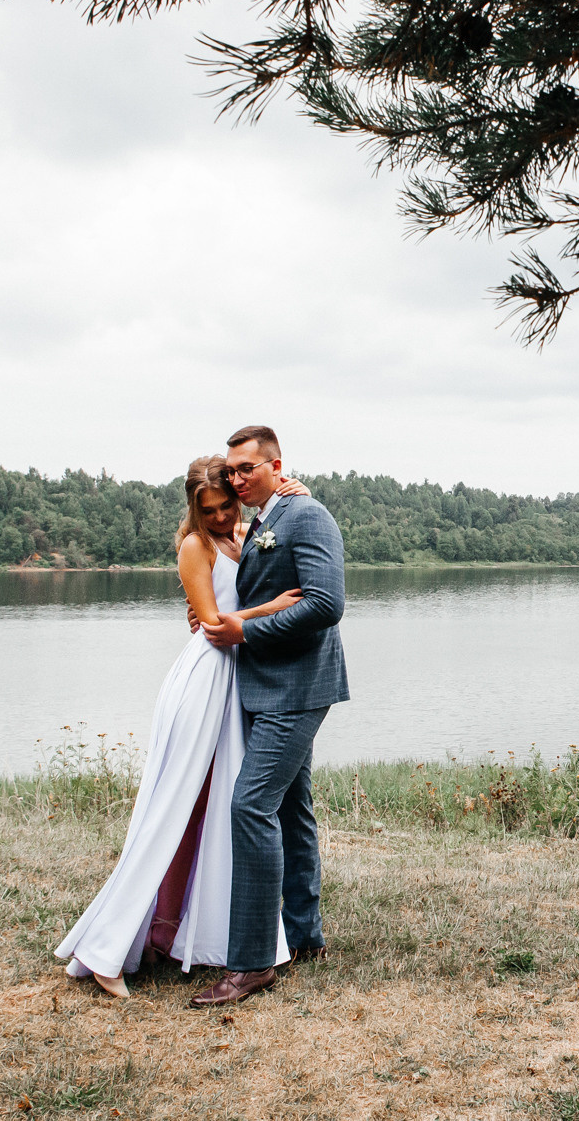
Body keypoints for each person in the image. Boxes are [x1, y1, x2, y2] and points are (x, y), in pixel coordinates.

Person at [53, 455, 307, 998]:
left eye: (225, 505)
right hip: (205, 679)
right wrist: (272, 608)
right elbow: (212, 624)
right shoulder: (195, 545)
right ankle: (106, 950)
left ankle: (196, 935)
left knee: (218, 811)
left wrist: (294, 492)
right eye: (207, 510)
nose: (218, 517)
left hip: (236, 682)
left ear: (237, 495)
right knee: (173, 807)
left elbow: (271, 529)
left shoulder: (245, 535)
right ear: (194, 508)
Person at [187, 424, 350, 1008]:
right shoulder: (262, 519)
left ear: (276, 466)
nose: (236, 479)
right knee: (289, 809)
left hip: (297, 687)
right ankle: (304, 937)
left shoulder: (307, 516)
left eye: (246, 469)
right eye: (231, 470)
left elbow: (326, 603)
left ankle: (252, 963)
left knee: (250, 805)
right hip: (265, 686)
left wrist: (246, 630)